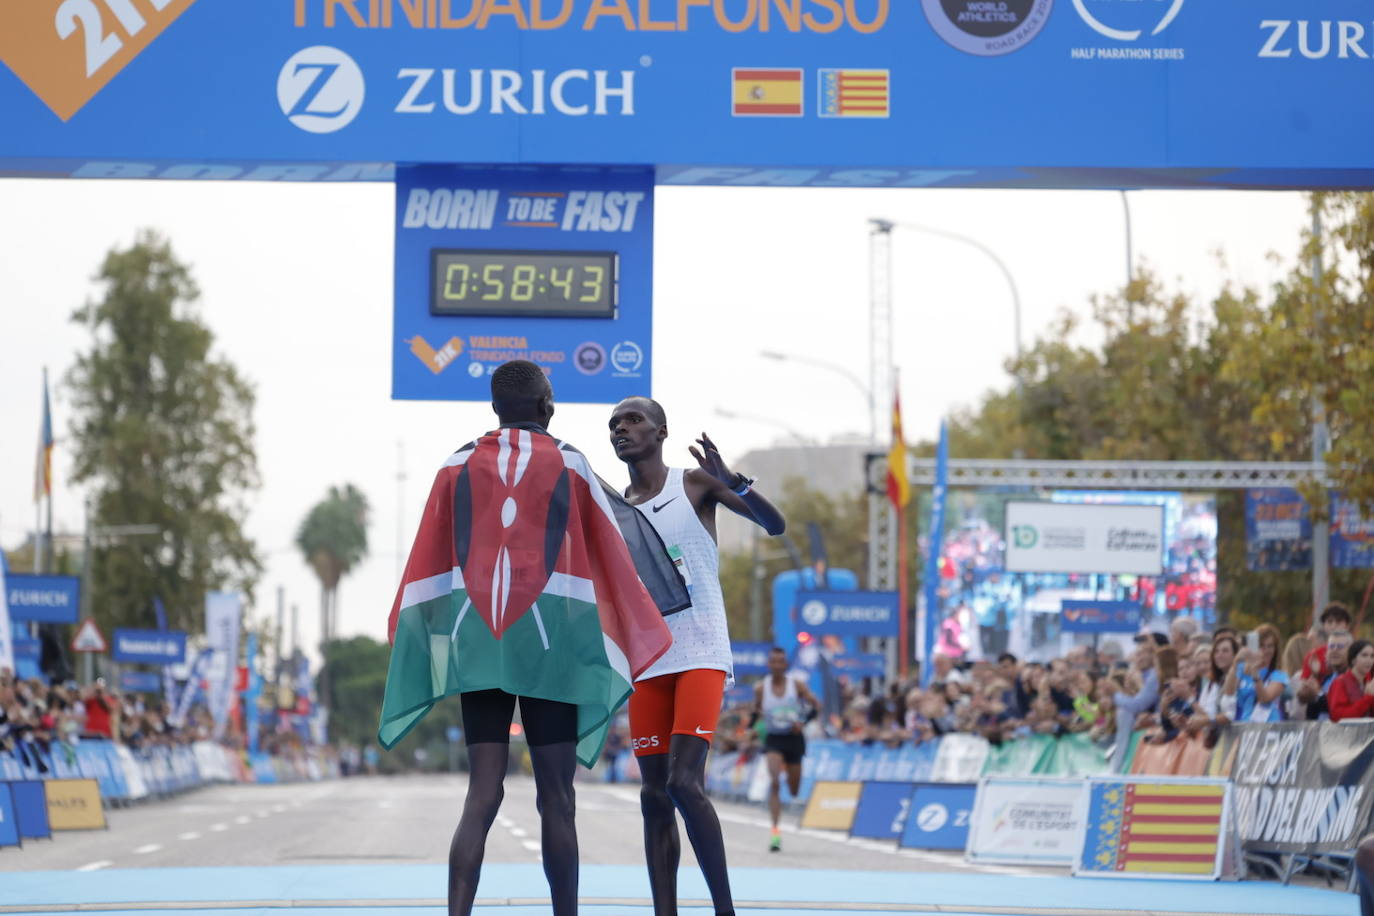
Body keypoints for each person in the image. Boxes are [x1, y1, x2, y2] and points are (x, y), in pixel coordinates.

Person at [379, 362, 681, 916]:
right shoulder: (570, 462)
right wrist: (643, 619)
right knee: (557, 800)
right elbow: (612, 551)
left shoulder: (455, 464)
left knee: (483, 793)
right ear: (547, 405)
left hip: (481, 646)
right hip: (553, 649)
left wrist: (421, 636)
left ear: (496, 408)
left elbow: (430, 558)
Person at [610, 396, 785, 916]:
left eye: (633, 420)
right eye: (614, 425)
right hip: (648, 662)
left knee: (685, 782)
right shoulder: (618, 506)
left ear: (661, 432)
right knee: (653, 796)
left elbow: (775, 526)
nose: (622, 429)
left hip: (701, 652)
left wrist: (736, 483)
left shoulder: (693, 484)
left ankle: (724, 910)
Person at [752, 646, 818, 852]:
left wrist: (803, 722)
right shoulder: (761, 688)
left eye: (781, 661)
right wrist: (752, 727)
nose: (778, 665)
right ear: (769, 664)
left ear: (786, 665)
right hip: (774, 739)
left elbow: (816, 706)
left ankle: (792, 786)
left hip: (794, 739)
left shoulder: (796, 685)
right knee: (774, 783)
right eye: (774, 661)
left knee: (794, 788)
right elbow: (756, 711)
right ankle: (775, 832)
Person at [1301, 602, 1354, 681]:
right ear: (1323, 626)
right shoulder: (1313, 656)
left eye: (1338, 622)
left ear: (1347, 626)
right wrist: (1315, 675)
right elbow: (1303, 687)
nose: (1333, 626)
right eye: (1329, 622)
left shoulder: (1359, 653)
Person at [1328, 639, 1374, 722]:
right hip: (1346, 733)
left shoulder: (1369, 682)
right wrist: (1368, 698)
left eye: (1372, 656)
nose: (1369, 660)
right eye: (1364, 655)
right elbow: (1337, 717)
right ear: (1353, 659)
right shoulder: (1340, 682)